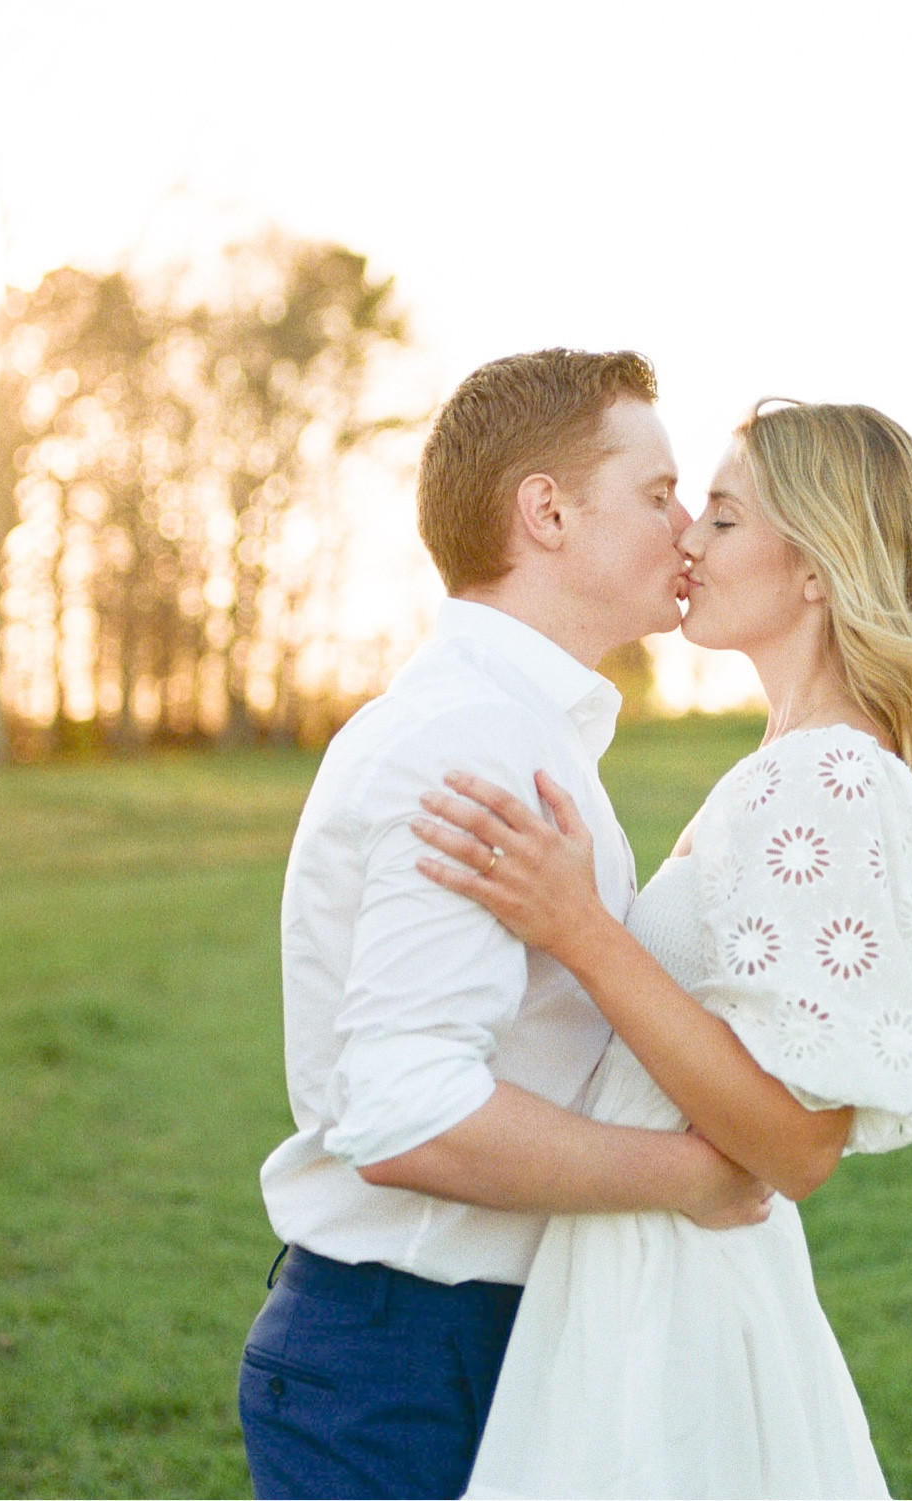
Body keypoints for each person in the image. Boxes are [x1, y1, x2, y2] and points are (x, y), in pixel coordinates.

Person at [412, 399, 912, 1498]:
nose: (687, 535)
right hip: (643, 1272)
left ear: (817, 570)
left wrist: (583, 932)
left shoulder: (829, 779)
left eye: (725, 518)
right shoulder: (793, 763)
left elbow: (796, 1144)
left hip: (677, 1298)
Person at [239, 349, 775, 1501]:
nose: (684, 529)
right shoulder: (472, 742)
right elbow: (405, 1112)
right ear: (545, 512)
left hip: (466, 1339)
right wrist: (689, 1172)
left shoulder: (525, 728)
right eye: (654, 493)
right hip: (407, 1356)